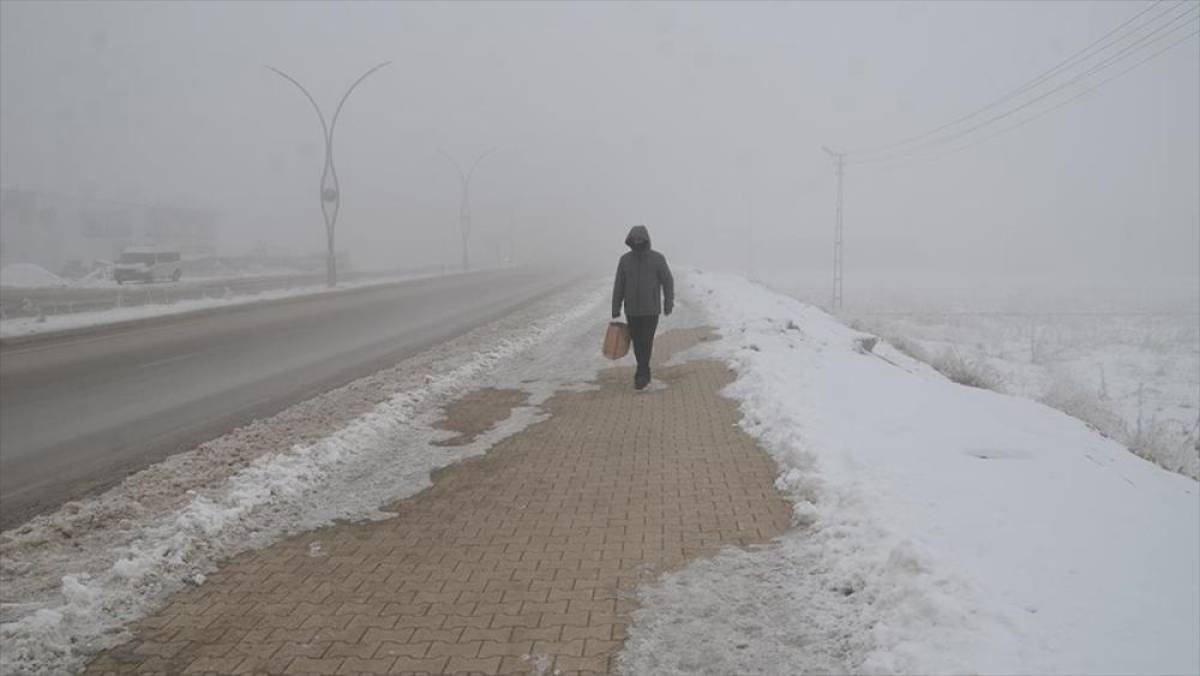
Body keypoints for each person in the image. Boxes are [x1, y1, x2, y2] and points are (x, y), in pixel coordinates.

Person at [612, 225, 674, 390]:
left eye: (640, 239)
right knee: (636, 341)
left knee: (645, 340)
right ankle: (643, 369)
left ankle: (642, 373)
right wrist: (615, 306)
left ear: (646, 239)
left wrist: (668, 302)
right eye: (635, 239)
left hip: (650, 309)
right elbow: (619, 284)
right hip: (631, 309)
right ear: (630, 240)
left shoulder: (657, 259)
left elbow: (668, 282)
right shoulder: (624, 260)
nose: (637, 241)